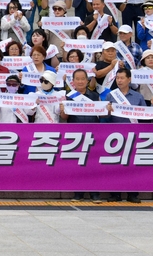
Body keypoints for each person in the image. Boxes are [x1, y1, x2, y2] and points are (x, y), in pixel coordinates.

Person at [60, 69, 102, 203]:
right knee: (78, 165)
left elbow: (102, 115)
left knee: (93, 165)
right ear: (73, 81)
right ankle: (78, 193)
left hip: (93, 133)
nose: (80, 81)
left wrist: (107, 109)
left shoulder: (95, 96)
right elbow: (64, 117)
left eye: (82, 79)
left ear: (87, 80)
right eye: (77, 79)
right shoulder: (68, 96)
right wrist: (63, 110)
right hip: (75, 134)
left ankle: (94, 194)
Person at [102, 67, 143, 203]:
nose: (119, 81)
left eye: (122, 78)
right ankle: (115, 194)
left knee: (132, 166)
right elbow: (104, 116)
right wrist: (106, 110)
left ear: (129, 79)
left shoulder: (138, 96)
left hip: (134, 135)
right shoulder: (111, 95)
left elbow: (145, 116)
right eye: (117, 78)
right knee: (116, 166)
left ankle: (132, 194)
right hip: (116, 135)